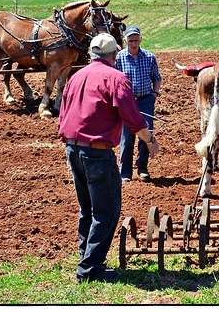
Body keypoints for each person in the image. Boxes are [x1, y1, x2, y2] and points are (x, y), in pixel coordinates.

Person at [59, 33, 159, 284]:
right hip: (97, 153)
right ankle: (90, 269)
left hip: (72, 149)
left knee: (88, 209)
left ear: (92, 54)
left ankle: (87, 257)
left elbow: (63, 111)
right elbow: (134, 119)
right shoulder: (115, 78)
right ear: (114, 55)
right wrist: (150, 141)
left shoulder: (75, 76)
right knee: (107, 211)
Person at [114, 26, 163, 183]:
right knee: (127, 137)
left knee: (146, 134)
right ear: (126, 40)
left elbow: (157, 77)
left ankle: (142, 168)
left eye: (136, 40)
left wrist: (155, 93)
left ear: (140, 39)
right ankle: (125, 172)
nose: (133, 43)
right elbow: (114, 81)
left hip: (145, 100)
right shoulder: (119, 58)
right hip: (127, 103)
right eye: (130, 40)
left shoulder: (149, 57)